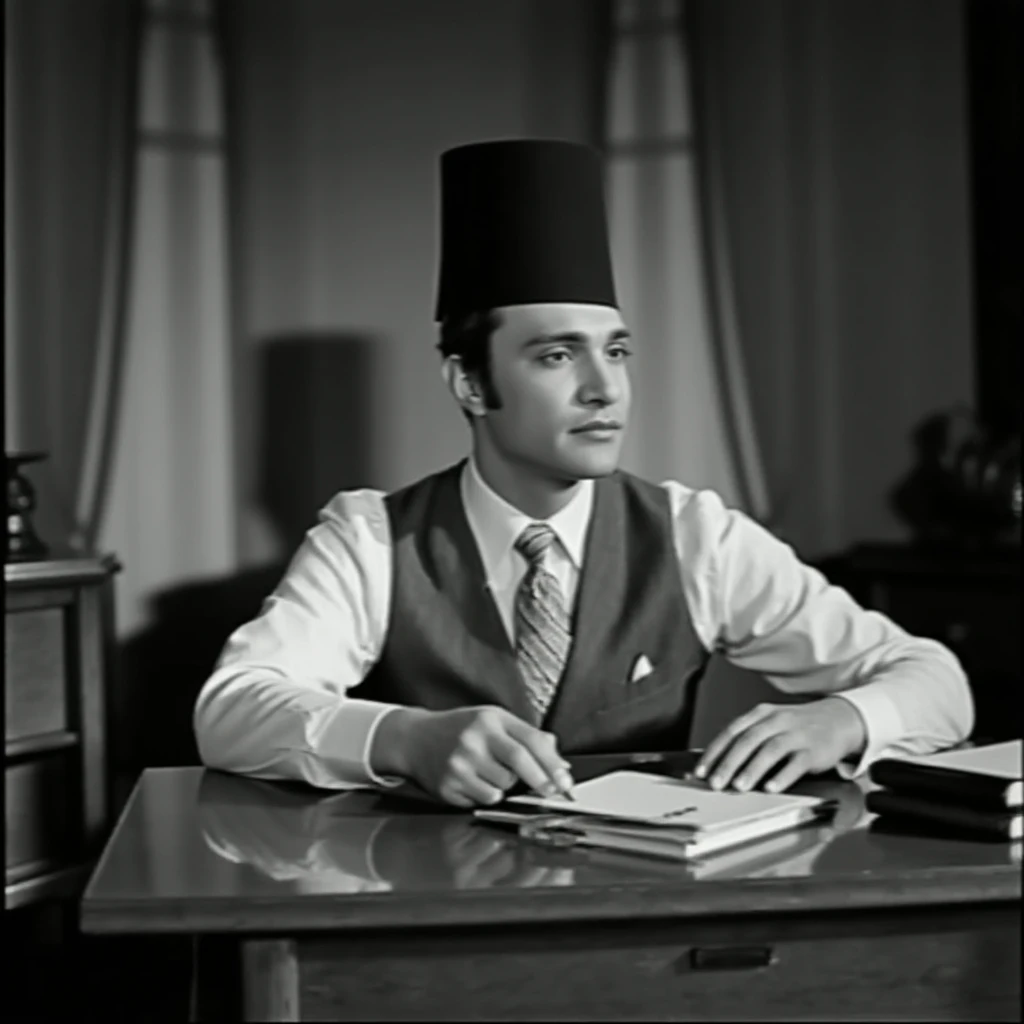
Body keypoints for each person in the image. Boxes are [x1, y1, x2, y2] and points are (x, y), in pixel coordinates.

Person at [194, 138, 973, 808]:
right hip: (426, 918)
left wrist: (841, 720)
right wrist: (404, 737)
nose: (605, 388)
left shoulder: (694, 536)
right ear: (470, 383)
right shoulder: (371, 538)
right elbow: (230, 709)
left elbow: (938, 683)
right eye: (557, 354)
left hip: (639, 920)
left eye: (618, 351)